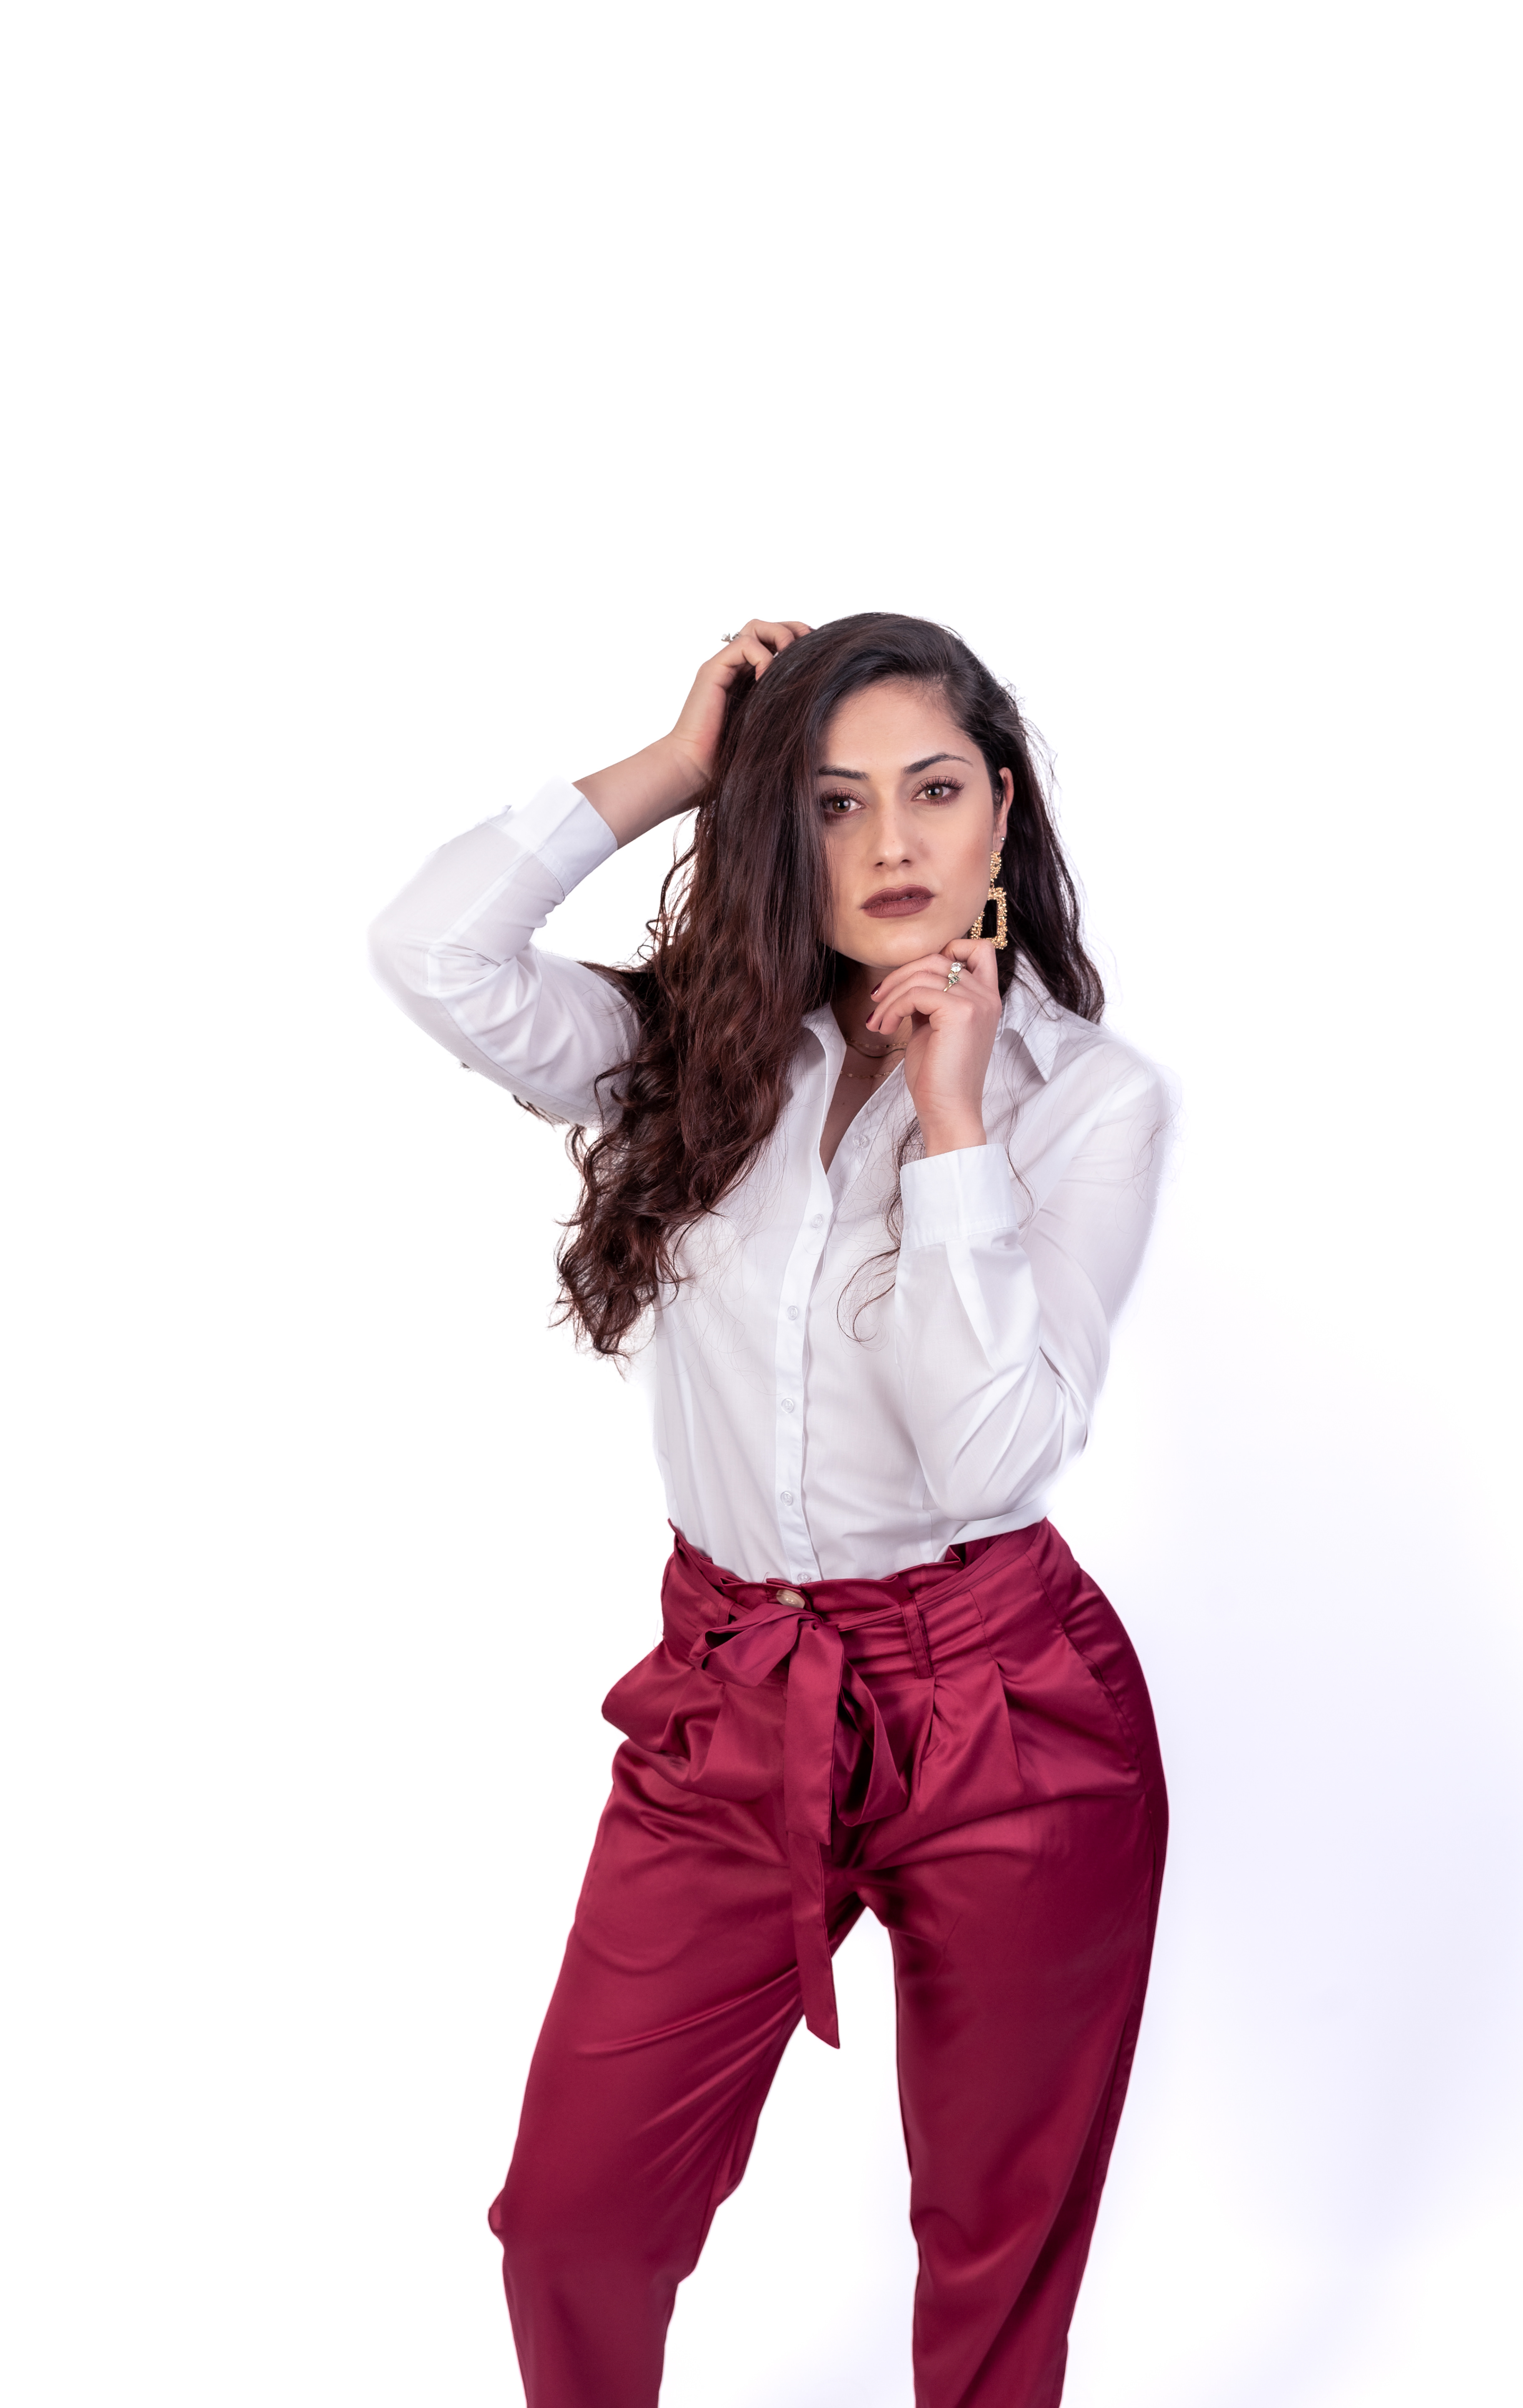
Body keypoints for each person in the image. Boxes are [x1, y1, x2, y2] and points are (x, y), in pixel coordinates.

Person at [369, 611, 1171, 2408]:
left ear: (1001, 809)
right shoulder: (698, 1053)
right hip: (731, 1690)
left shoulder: (1087, 1104)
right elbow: (430, 948)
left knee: (997, 2241)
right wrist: (673, 766)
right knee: (569, 2222)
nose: (891, 844)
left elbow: (989, 1463)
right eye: (830, 802)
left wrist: (953, 1125)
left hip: (1008, 1701)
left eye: (934, 791)